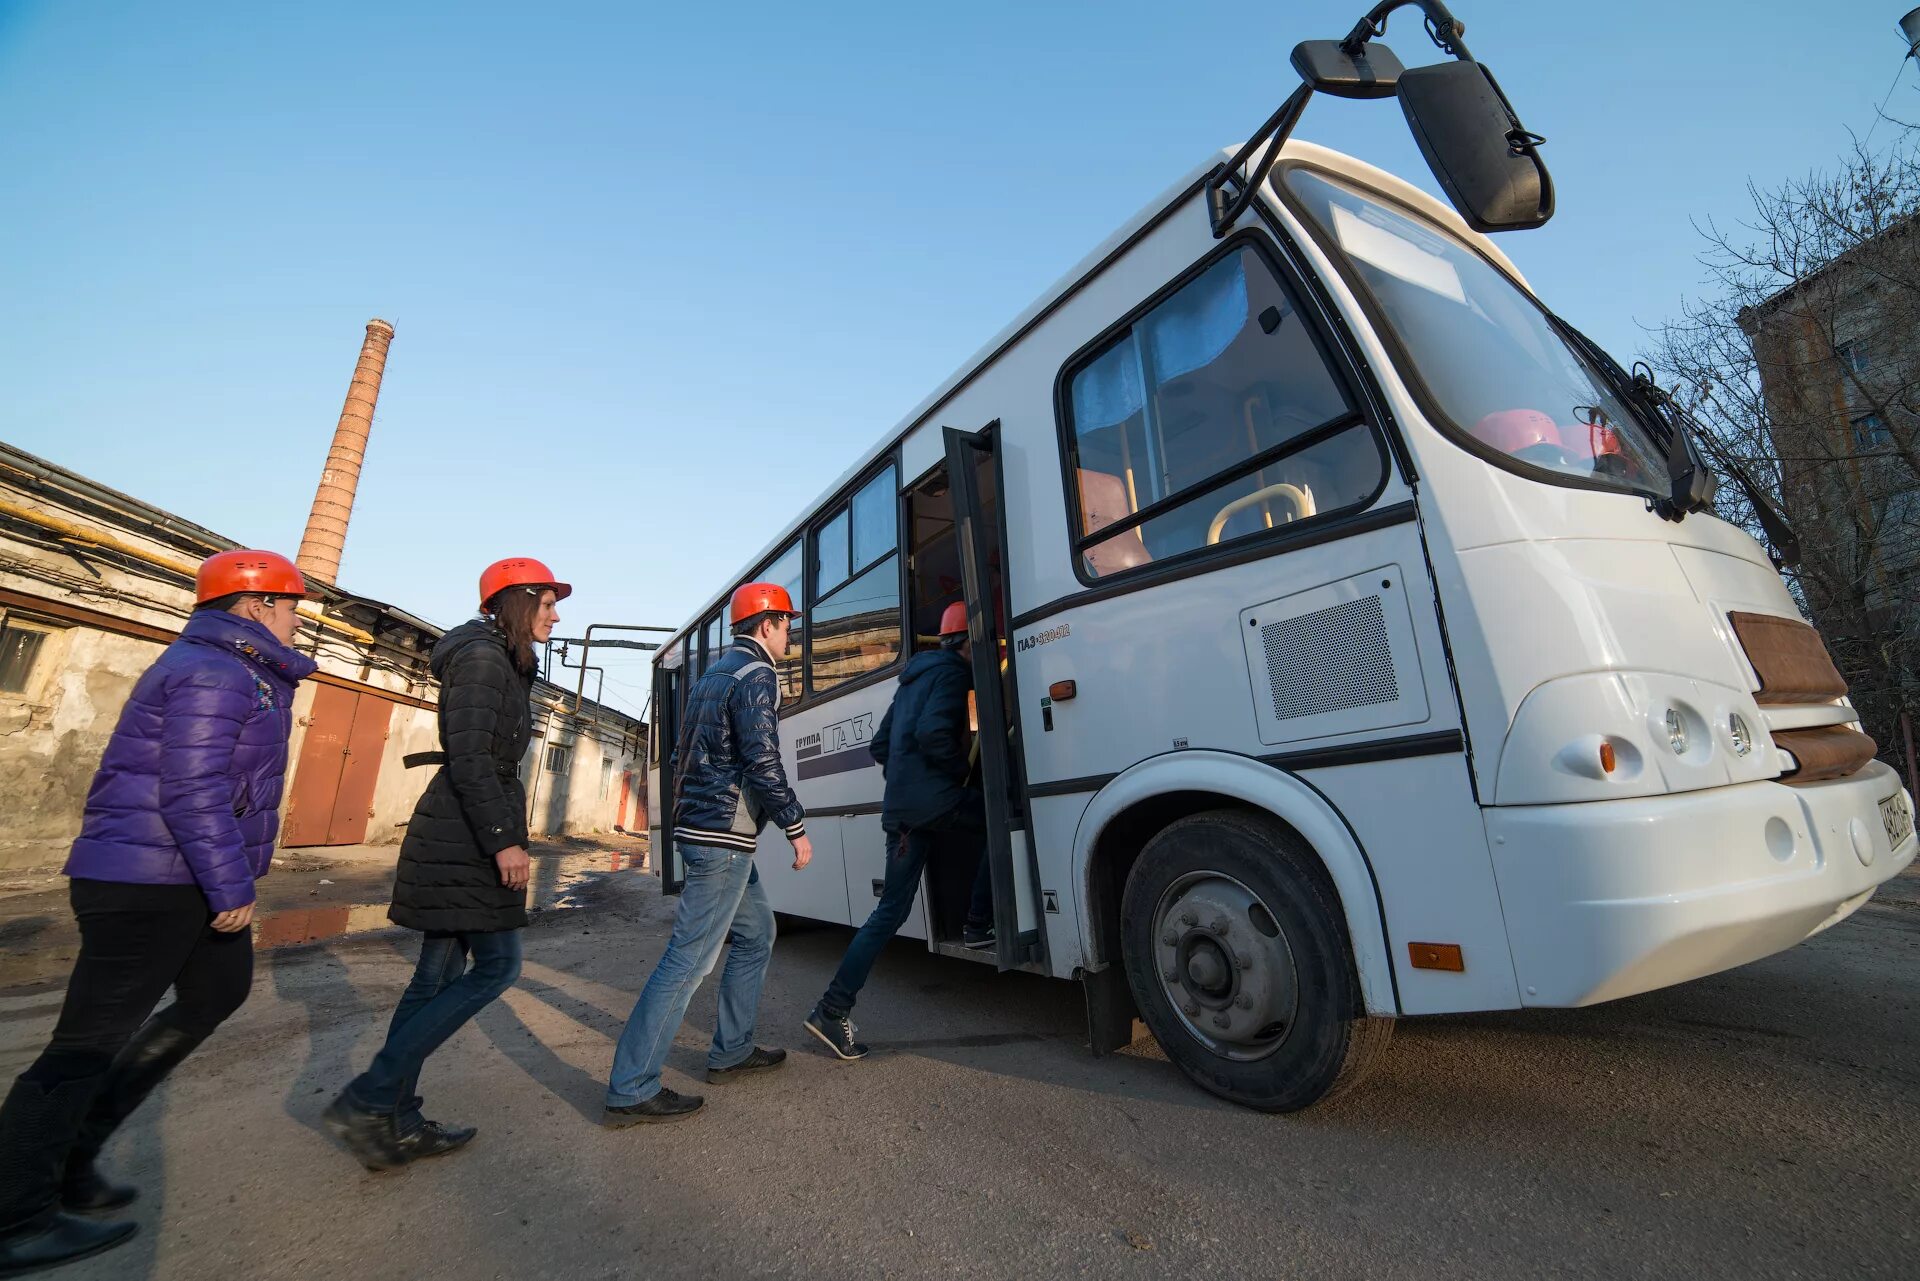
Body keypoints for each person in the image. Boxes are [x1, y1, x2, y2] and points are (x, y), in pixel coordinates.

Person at [0, 550, 317, 1275]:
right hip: (149, 881)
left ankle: (73, 1158)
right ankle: (14, 1214)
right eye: (291, 606)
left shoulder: (240, 669)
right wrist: (230, 886)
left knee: (217, 991)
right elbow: (192, 788)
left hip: (181, 874)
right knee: (84, 1044)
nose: (298, 621)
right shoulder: (214, 671)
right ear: (255, 606)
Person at [323, 557, 566, 1170]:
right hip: (465, 836)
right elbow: (471, 756)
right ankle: (371, 1097)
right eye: (546, 605)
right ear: (518, 603)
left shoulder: (503, 660)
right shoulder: (484, 659)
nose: (555, 617)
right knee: (499, 966)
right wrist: (503, 841)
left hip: (465, 828)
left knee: (434, 980)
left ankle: (393, 1120)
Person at [603, 582, 811, 1126]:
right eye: (786, 623)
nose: (790, 634)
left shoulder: (711, 676)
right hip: (723, 838)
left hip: (702, 828)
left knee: (757, 934)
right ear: (766, 624)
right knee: (689, 958)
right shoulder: (758, 673)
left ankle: (733, 1050)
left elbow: (682, 754)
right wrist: (795, 825)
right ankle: (632, 1086)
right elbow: (762, 758)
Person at [803, 601, 994, 1062]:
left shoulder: (911, 680)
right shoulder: (952, 674)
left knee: (889, 911)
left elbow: (880, 745)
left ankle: (832, 1008)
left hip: (904, 813)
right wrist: (957, 774)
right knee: (999, 823)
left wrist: (908, 784)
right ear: (967, 643)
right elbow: (932, 734)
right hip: (935, 803)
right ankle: (976, 924)